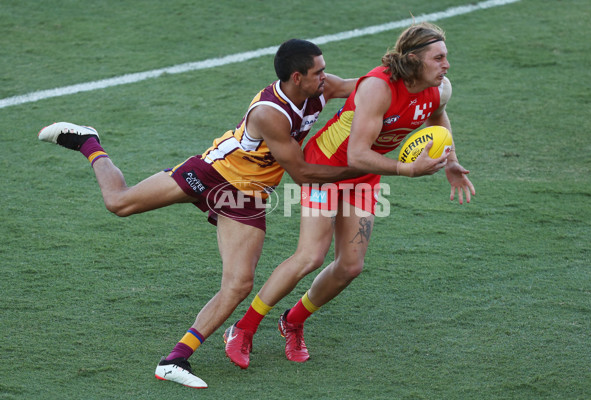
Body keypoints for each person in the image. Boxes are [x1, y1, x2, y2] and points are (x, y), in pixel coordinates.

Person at [37, 39, 365, 389]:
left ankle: (175, 359)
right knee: (118, 203)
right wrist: (373, 167)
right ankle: (89, 142)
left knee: (239, 283)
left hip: (247, 197)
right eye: (319, 72)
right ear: (297, 77)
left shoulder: (321, 88)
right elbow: (301, 173)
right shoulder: (269, 112)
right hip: (212, 173)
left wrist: (411, 82)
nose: (326, 77)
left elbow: (367, 87)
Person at [224, 22, 475, 369]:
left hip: (365, 174)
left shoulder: (439, 87)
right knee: (310, 255)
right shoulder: (378, 88)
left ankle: (292, 322)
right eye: (439, 58)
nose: (446, 65)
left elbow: (437, 115)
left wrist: (451, 160)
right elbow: (356, 154)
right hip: (327, 165)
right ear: (414, 59)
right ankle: (243, 329)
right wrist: (407, 170)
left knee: (351, 265)